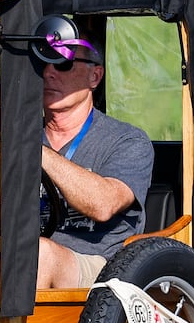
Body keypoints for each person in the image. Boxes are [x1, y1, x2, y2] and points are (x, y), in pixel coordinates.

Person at [36, 34, 155, 289]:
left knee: (40, 255)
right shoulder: (20, 137)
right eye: (43, 62)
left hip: (102, 270)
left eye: (63, 63)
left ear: (95, 76)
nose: (49, 72)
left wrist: (37, 152)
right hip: (19, 256)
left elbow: (103, 205)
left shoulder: (128, 141)